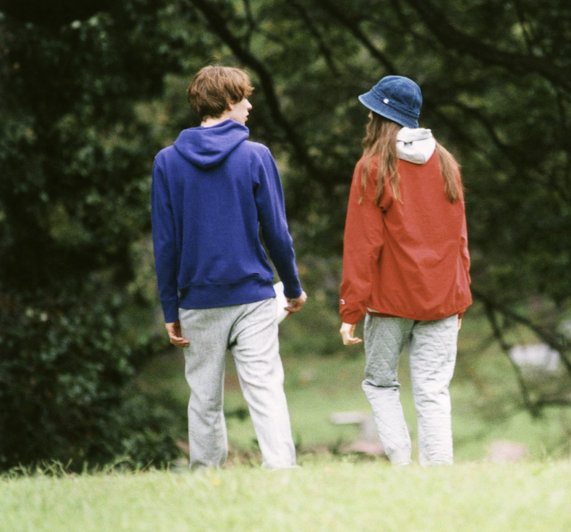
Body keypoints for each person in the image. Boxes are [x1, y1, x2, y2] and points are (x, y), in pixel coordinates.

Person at [151, 65, 307, 470]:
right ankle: (282, 473)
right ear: (226, 101)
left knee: (204, 397)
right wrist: (292, 288)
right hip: (253, 297)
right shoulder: (256, 156)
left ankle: (207, 478)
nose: (250, 105)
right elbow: (277, 232)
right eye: (243, 97)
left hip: (197, 301)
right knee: (265, 389)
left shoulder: (167, 162)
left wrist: (170, 308)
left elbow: (166, 244)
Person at [338, 75, 472, 466]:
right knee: (433, 391)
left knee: (380, 384)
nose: (367, 116)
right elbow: (459, 238)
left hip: (389, 302)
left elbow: (362, 245)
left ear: (383, 116)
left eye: (371, 110)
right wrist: (461, 297)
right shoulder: (446, 162)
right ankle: (438, 474)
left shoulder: (372, 167)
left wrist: (350, 309)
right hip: (443, 299)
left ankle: (401, 466)